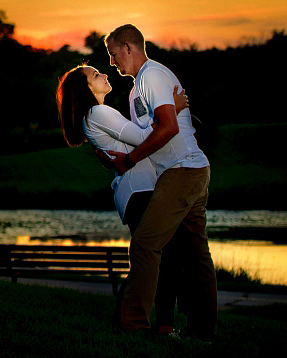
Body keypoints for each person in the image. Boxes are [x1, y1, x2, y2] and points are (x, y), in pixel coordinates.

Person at [103, 24, 218, 340]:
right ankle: (202, 331)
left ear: (129, 47)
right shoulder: (136, 88)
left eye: (114, 54)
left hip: (183, 172)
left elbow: (167, 128)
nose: (113, 63)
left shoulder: (152, 76)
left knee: (145, 243)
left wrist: (130, 159)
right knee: (196, 253)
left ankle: (134, 325)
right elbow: (154, 128)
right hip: (186, 172)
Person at [56, 64, 189, 334]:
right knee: (156, 258)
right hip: (140, 190)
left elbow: (127, 146)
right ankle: (148, 324)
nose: (104, 75)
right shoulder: (98, 112)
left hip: (138, 189)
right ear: (86, 88)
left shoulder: (94, 115)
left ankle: (156, 324)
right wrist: (172, 108)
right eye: (96, 75)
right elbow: (142, 138)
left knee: (156, 258)